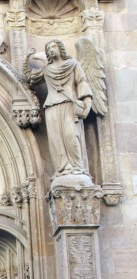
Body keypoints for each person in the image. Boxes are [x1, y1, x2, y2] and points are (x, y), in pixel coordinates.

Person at [29, 40, 92, 180]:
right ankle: (63, 168)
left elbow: (81, 82)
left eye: (54, 46)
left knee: (71, 135)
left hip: (69, 105)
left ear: (60, 48)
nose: (51, 50)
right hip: (52, 106)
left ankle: (77, 167)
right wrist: (29, 59)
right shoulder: (46, 70)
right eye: (49, 48)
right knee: (56, 139)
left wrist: (87, 101)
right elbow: (31, 79)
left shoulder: (72, 65)